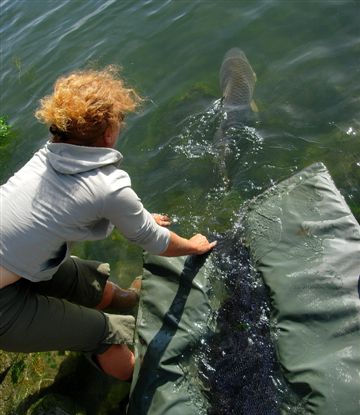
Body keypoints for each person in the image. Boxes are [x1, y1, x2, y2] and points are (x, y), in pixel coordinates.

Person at [0, 66, 216, 381]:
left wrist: (136, 219)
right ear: (109, 132)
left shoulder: (46, 157)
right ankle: (140, 392)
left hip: (13, 265)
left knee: (83, 279)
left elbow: (73, 210)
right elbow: (155, 241)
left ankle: (131, 301)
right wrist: (192, 246)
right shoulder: (109, 186)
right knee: (108, 335)